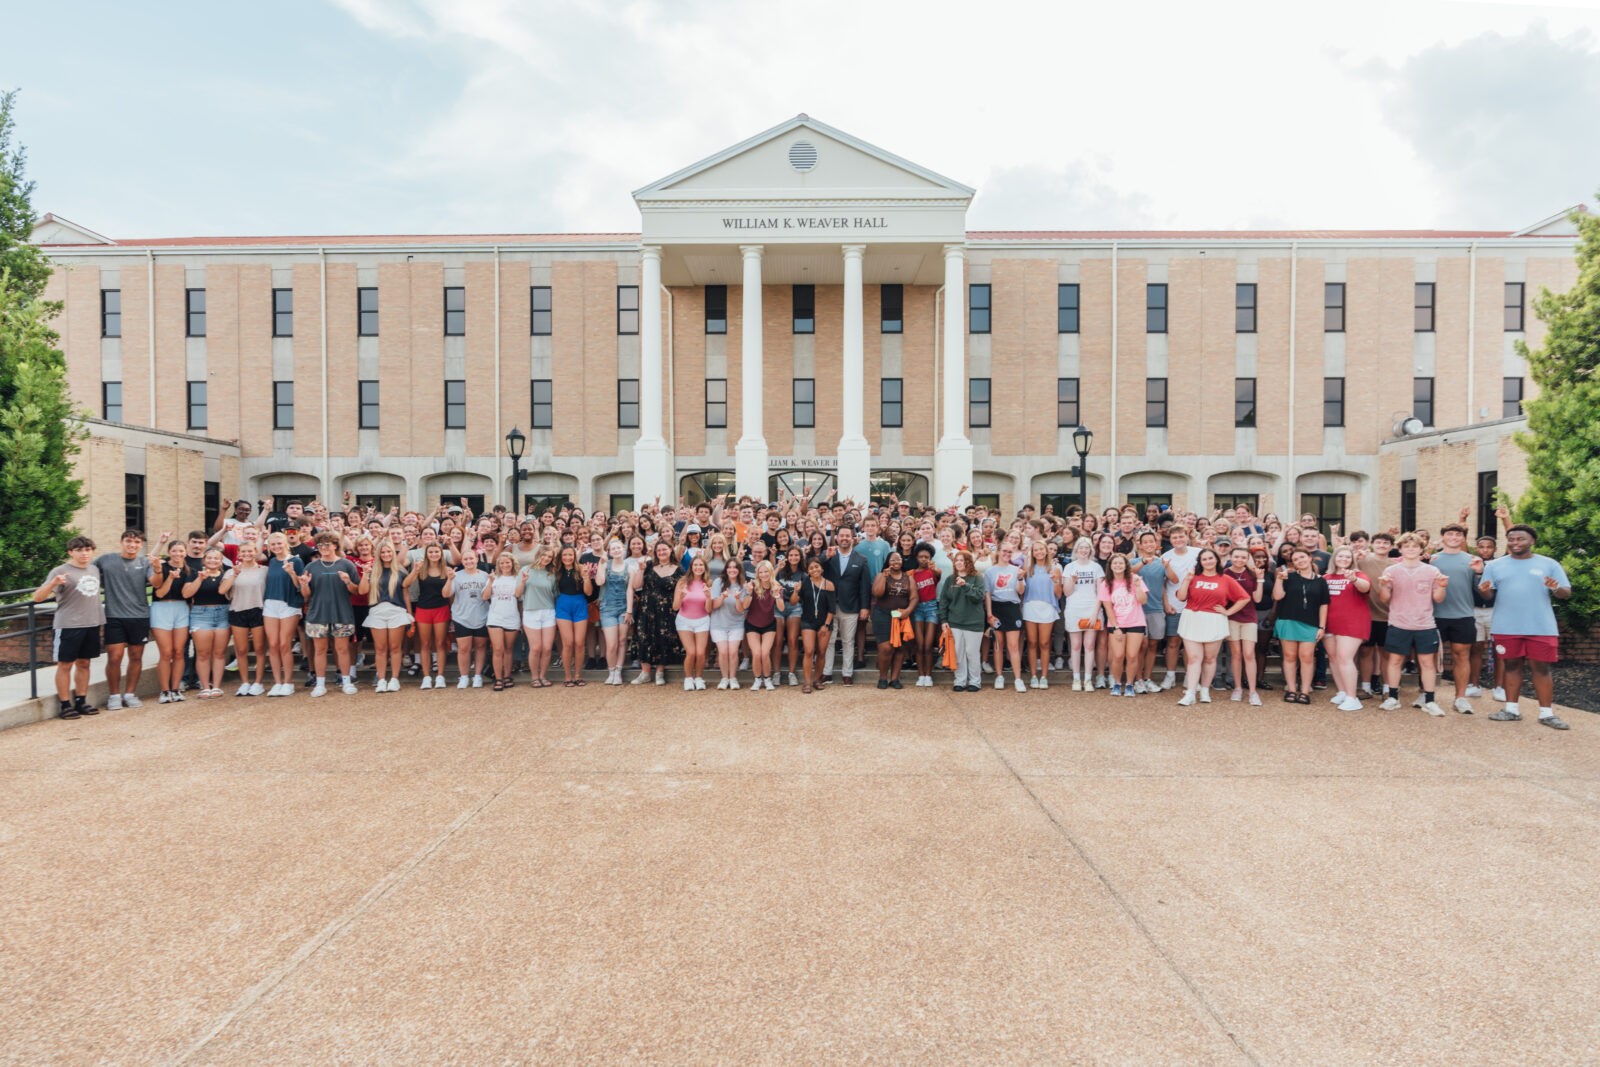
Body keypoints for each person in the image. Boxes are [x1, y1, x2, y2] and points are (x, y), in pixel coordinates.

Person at [1479, 524, 1572, 730]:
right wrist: (1483, 591)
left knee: (1541, 667)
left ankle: (1546, 714)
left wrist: (1556, 587)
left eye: (1520, 539)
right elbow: (1489, 595)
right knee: (1511, 666)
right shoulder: (1494, 566)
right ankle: (1511, 710)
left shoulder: (1549, 564)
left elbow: (1565, 592)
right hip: (1506, 626)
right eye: (1511, 539)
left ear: (1532, 541)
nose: (1515, 543)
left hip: (1541, 626)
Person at [1376, 533, 1448, 716]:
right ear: (1400, 549)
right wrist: (1384, 586)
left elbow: (1438, 599)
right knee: (1395, 661)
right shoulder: (1391, 571)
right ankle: (1393, 697)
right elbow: (1385, 600)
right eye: (1406, 546)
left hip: (1425, 624)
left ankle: (1430, 700)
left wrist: (1442, 586)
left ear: (1421, 549)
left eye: (1414, 546)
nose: (1410, 549)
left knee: (1427, 663)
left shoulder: (1432, 571)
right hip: (1398, 623)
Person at [33, 536, 105, 720]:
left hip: (92, 623)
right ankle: (65, 705)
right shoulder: (60, 571)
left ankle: (81, 700)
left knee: (85, 663)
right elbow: (38, 598)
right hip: (68, 625)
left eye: (88, 550)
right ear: (70, 552)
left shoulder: (94, 569)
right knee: (65, 665)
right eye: (79, 550)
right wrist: (53, 583)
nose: (84, 553)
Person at [1175, 548, 1249, 706]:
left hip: (1214, 620)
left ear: (1217, 560)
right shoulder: (1193, 577)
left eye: (1211, 558)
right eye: (1204, 559)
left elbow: (1244, 597)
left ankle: (1205, 690)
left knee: (1210, 658)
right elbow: (1181, 597)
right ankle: (1190, 693)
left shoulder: (1226, 579)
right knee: (1194, 658)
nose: (1208, 561)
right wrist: (1187, 580)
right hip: (1193, 618)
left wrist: (1228, 611)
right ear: (1200, 562)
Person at [297, 533, 361, 696]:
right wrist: (304, 585)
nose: (324, 548)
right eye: (320, 546)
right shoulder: (310, 567)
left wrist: (347, 581)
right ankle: (320, 684)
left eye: (327, 545)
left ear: (335, 545)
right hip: (317, 614)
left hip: (342, 613)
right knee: (320, 650)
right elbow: (306, 595)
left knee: (342, 649)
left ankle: (346, 681)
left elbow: (356, 591)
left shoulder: (347, 564)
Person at [95, 530, 151, 712]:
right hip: (114, 615)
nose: (132, 545)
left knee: (136, 657)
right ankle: (114, 695)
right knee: (115, 657)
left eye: (136, 542)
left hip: (139, 615)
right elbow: (87, 573)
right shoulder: (106, 560)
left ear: (141, 545)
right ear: (121, 542)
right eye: (128, 541)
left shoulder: (145, 562)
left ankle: (130, 693)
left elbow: (156, 582)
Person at [1430, 522, 1481, 714]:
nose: (1454, 537)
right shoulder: (1432, 560)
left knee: (1462, 655)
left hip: (1463, 615)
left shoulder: (1472, 560)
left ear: (1463, 538)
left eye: (1458, 534)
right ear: (1443, 536)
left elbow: (1482, 589)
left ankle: (1460, 698)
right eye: (1450, 534)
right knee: (1429, 657)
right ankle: (1426, 694)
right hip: (1434, 615)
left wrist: (1479, 573)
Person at [1273, 549, 1328, 705]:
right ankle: (1291, 689)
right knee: (1289, 657)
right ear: (1293, 563)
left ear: (1310, 558)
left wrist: (1322, 627)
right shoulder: (1287, 577)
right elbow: (1277, 597)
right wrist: (1278, 580)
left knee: (1307, 658)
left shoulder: (1321, 580)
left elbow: (1324, 605)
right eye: (1295, 559)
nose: (1299, 560)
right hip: (1288, 621)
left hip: (1310, 623)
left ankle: (1304, 691)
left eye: (1302, 557)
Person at [1321, 547, 1372, 712]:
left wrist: (1354, 580)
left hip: (1352, 622)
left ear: (1352, 560)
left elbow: (1365, 587)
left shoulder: (1358, 574)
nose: (1343, 559)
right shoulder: (1326, 577)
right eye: (1340, 556)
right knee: (1334, 658)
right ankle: (1342, 691)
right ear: (1334, 558)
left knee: (1344, 657)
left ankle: (1352, 697)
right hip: (1330, 622)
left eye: (1347, 557)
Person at [822, 527, 872, 686]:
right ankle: (826, 673)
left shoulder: (861, 559)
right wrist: (825, 559)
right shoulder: (829, 555)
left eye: (847, 536)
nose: (844, 538)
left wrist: (865, 607)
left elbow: (865, 586)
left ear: (853, 538)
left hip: (851, 606)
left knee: (848, 641)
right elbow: (816, 572)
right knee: (829, 641)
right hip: (829, 606)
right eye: (842, 535)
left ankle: (847, 673)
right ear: (837, 538)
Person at [631, 539, 684, 686]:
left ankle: (660, 673)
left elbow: (680, 590)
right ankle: (645, 673)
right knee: (644, 638)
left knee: (663, 639)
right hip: (646, 608)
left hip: (667, 611)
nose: (661, 552)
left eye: (664, 549)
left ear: (670, 550)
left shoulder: (678, 569)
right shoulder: (647, 566)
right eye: (658, 550)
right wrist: (640, 570)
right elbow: (636, 585)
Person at [362, 540, 412, 692]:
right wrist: (365, 575)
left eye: (388, 551)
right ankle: (382, 679)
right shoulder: (372, 570)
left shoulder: (401, 570)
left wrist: (410, 615)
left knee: (395, 647)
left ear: (393, 552)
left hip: (397, 611)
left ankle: (395, 679)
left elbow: (405, 593)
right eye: (383, 552)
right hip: (377, 612)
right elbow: (363, 591)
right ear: (378, 554)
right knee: (380, 648)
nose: (386, 555)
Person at [261, 532, 306, 697]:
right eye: (273, 544)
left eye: (279, 543)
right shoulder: (272, 562)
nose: (276, 547)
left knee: (284, 644)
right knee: (272, 645)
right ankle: (277, 682)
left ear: (285, 543)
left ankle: (288, 682)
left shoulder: (297, 561)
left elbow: (299, 586)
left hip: (289, 604)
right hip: (270, 604)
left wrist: (291, 572)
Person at [182, 548, 232, 698]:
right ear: (204, 560)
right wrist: (200, 579)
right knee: (203, 654)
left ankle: (216, 686)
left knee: (219, 653)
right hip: (200, 614)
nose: (212, 561)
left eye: (216, 558)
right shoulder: (194, 575)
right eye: (209, 558)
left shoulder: (225, 576)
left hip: (222, 613)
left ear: (221, 560)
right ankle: (205, 687)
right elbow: (186, 594)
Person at [1097, 553, 1148, 697]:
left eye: (1121, 563)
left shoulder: (1134, 579)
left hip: (1136, 622)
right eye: (1115, 563)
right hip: (1117, 624)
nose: (1118, 566)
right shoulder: (1106, 583)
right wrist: (1116, 627)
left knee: (1132, 656)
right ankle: (1117, 683)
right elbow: (1108, 607)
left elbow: (1143, 601)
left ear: (1126, 565)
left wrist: (1138, 586)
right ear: (1110, 566)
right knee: (1118, 656)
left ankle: (1130, 684)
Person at [149, 539, 193, 704]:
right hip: (161, 609)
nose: (178, 554)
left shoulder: (190, 571)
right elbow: (159, 593)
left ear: (185, 552)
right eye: (174, 551)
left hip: (181, 609)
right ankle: (165, 690)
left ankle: (175, 688)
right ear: (169, 552)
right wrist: (171, 578)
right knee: (166, 653)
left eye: (181, 551)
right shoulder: (162, 567)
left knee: (179, 651)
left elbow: (188, 595)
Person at [221, 542, 268, 697]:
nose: (247, 554)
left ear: (255, 552)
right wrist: (234, 574)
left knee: (260, 649)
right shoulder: (231, 571)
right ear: (239, 554)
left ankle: (258, 683)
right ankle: (245, 682)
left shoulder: (264, 570)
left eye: (250, 551)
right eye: (243, 551)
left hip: (258, 610)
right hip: (238, 610)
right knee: (241, 650)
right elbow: (222, 590)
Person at [404, 543, 453, 690]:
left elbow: (449, 594)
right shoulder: (421, 569)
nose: (433, 554)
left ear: (441, 553)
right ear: (426, 554)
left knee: (440, 643)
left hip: (441, 608)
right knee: (424, 644)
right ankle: (426, 677)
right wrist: (415, 571)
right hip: (423, 609)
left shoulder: (446, 570)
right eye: (430, 552)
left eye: (436, 551)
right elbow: (405, 584)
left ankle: (440, 676)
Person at [1222, 547, 1266, 705]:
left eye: (1243, 557)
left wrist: (1260, 580)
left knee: (1249, 654)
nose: (1239, 560)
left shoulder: (1252, 573)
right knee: (1236, 654)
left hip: (1249, 617)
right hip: (1231, 617)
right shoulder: (1225, 573)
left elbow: (1258, 599)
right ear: (1231, 557)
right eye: (1236, 556)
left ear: (1247, 558)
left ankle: (1253, 691)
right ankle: (1238, 688)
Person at [939, 550, 987, 692]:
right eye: (957, 560)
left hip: (974, 623)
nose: (959, 563)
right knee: (958, 652)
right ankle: (960, 680)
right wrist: (943, 620)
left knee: (972, 653)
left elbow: (978, 597)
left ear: (969, 563)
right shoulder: (949, 579)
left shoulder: (977, 578)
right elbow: (943, 601)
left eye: (962, 560)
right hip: (954, 622)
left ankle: (975, 681)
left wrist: (965, 585)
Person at [1060, 537, 1104, 691]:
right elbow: (1067, 592)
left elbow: (1100, 592)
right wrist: (1072, 580)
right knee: (1076, 645)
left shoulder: (1096, 567)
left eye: (1087, 548)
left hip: (1092, 608)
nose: (1084, 551)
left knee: (1090, 645)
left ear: (1091, 550)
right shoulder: (1069, 567)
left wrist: (1096, 612)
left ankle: (1088, 680)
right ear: (1076, 550)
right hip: (1074, 608)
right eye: (1081, 548)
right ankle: (1076, 679)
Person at [983, 545, 1027, 693]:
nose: (1007, 553)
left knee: (1013, 645)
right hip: (996, 608)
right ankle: (999, 676)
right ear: (999, 552)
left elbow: (1021, 591)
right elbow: (987, 594)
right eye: (1005, 551)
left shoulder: (1016, 570)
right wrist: (989, 614)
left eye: (1010, 551)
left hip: (1012, 608)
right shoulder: (990, 571)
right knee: (998, 645)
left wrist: (1020, 578)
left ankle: (1018, 679)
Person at [1020, 540, 1063, 689]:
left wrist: (1056, 582)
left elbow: (1058, 594)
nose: (1038, 552)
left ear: (1046, 551)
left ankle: (1044, 676)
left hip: (1047, 606)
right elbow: (1022, 589)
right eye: (1035, 550)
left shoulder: (1055, 568)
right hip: (1030, 606)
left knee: (1044, 643)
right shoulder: (1027, 567)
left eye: (1041, 549)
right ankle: (1033, 675)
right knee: (1031, 642)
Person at [870, 551, 915, 689]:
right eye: (893, 560)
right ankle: (883, 677)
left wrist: (907, 611)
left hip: (902, 617)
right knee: (886, 647)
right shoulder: (881, 575)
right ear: (888, 562)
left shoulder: (909, 577)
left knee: (900, 648)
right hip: (883, 615)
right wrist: (884, 576)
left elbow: (914, 598)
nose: (896, 562)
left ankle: (895, 678)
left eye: (899, 559)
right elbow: (877, 593)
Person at [445, 549, 490, 688]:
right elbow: (446, 594)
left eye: (471, 558)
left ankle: (477, 676)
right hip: (461, 616)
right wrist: (449, 579)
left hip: (481, 615)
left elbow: (487, 596)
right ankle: (464, 676)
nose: (469, 561)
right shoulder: (456, 575)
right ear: (462, 561)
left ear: (476, 559)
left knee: (480, 647)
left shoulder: (485, 576)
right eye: (466, 559)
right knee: (463, 648)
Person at [1160, 525, 1197, 690]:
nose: (1178, 540)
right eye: (1174, 538)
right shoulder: (1166, 557)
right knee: (1173, 643)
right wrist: (1166, 603)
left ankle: (1191, 677)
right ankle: (1170, 676)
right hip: (1174, 606)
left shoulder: (1198, 553)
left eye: (1181, 536)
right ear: (1170, 539)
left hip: (1194, 606)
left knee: (1191, 643)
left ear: (1187, 536)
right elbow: (1162, 583)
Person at [551, 546, 595, 687]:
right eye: (565, 555)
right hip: (563, 605)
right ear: (561, 556)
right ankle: (568, 676)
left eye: (570, 555)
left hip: (579, 605)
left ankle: (578, 675)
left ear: (574, 556)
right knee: (568, 643)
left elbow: (588, 593)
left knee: (579, 643)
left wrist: (586, 578)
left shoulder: (581, 568)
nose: (567, 558)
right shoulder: (556, 571)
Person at [518, 546, 559, 688]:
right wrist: (523, 581)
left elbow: (554, 594)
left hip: (548, 612)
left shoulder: (551, 574)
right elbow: (517, 594)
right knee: (535, 648)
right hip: (531, 611)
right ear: (538, 555)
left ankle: (543, 676)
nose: (546, 558)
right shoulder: (525, 570)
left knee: (547, 648)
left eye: (550, 557)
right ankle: (534, 677)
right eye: (544, 555)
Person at [595, 539, 633, 686]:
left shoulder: (630, 568)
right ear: (609, 552)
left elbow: (630, 590)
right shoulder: (606, 564)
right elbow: (599, 582)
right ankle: (611, 671)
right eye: (613, 549)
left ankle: (618, 671)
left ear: (623, 549)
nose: (616, 550)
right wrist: (601, 564)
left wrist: (629, 610)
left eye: (618, 548)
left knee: (622, 641)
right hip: (607, 608)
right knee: (611, 644)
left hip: (623, 607)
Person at [673, 555, 713, 690]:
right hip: (684, 621)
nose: (698, 567)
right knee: (691, 652)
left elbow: (708, 609)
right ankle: (688, 678)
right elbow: (675, 607)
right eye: (695, 565)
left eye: (701, 565)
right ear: (691, 567)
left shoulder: (708, 583)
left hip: (702, 620)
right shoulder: (682, 582)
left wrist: (708, 598)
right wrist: (680, 596)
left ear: (705, 568)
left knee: (701, 653)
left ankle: (699, 677)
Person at [797, 556, 836, 694]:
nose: (815, 569)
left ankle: (817, 680)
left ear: (822, 568)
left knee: (822, 652)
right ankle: (807, 683)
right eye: (811, 567)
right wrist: (796, 591)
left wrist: (826, 625)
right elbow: (793, 601)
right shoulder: (805, 583)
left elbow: (832, 609)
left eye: (817, 566)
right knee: (808, 651)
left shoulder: (829, 584)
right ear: (808, 571)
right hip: (808, 621)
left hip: (824, 622)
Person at [708, 561, 750, 689]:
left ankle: (733, 678)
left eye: (735, 567)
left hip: (736, 623)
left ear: (739, 570)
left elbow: (741, 609)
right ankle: (724, 678)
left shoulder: (743, 585)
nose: (732, 570)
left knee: (733, 652)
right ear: (726, 570)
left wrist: (737, 598)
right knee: (723, 652)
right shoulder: (718, 582)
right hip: (718, 623)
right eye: (729, 567)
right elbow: (714, 605)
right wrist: (722, 597)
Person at [483, 553, 522, 691]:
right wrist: (491, 582)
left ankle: (507, 676)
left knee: (508, 649)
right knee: (498, 649)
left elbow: (518, 596)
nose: (505, 565)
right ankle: (498, 678)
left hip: (511, 617)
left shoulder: (518, 578)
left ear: (512, 563)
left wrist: (522, 582)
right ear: (498, 565)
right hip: (495, 617)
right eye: (502, 563)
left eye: (508, 562)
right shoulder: (494, 578)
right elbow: (485, 596)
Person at [745, 560, 782, 691]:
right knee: (756, 653)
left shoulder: (776, 586)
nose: (764, 574)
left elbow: (781, 609)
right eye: (761, 572)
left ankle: (767, 679)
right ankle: (757, 679)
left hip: (769, 624)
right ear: (757, 574)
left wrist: (777, 596)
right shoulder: (753, 585)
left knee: (765, 653)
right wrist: (749, 593)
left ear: (771, 572)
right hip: (752, 624)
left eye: (766, 571)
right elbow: (745, 606)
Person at [908, 546, 942, 687]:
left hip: (931, 607)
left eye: (926, 557)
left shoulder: (934, 571)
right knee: (919, 644)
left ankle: (929, 675)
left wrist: (934, 569)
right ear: (916, 558)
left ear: (930, 559)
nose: (923, 559)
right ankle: (921, 675)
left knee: (928, 645)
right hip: (917, 608)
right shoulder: (911, 574)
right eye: (921, 557)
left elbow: (938, 574)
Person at [775, 545, 806, 687]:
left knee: (793, 640)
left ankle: (791, 673)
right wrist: (777, 568)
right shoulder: (780, 572)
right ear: (787, 557)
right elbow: (768, 580)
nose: (794, 558)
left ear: (800, 557)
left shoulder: (803, 575)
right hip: (778, 606)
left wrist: (795, 592)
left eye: (796, 555)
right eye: (791, 555)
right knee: (778, 640)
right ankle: (776, 673)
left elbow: (795, 600)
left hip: (794, 607)